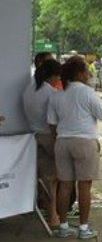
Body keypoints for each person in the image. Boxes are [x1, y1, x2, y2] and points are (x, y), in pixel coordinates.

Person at [47, 57, 102, 239]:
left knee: (65, 185)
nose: (89, 74)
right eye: (87, 71)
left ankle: (63, 226)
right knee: (84, 186)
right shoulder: (88, 93)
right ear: (80, 73)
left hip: (62, 142)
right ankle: (83, 228)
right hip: (85, 142)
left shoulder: (57, 94)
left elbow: (51, 123)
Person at [23, 59, 62, 228]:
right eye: (58, 77)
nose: (58, 81)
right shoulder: (50, 92)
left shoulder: (28, 89)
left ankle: (49, 210)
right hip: (49, 138)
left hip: (33, 138)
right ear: (52, 76)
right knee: (54, 180)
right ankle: (54, 215)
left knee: (39, 179)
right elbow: (55, 120)